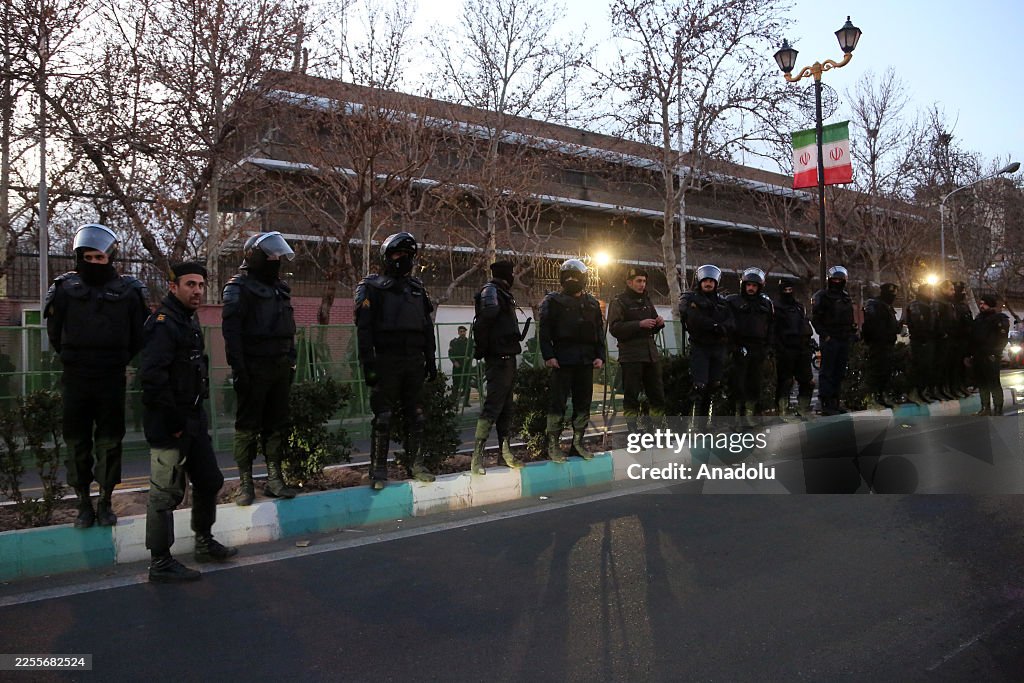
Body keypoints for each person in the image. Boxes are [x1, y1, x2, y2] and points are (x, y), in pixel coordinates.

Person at [44, 223, 149, 529]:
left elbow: (138, 334)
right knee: (76, 444)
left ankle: (104, 501)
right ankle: (82, 504)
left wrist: (116, 359)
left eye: (99, 258)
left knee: (109, 443)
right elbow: (55, 333)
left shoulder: (129, 291)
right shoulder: (63, 288)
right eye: (88, 258)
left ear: (110, 258)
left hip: (110, 376)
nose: (93, 263)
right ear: (79, 257)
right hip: (76, 377)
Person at [142, 262, 236, 583]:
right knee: (164, 494)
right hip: (170, 423)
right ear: (173, 287)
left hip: (194, 419)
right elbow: (153, 379)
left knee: (209, 480)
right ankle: (160, 562)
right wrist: (175, 422)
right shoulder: (163, 323)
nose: (197, 290)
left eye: (200, 285)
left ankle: (203, 541)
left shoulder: (187, 319)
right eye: (190, 284)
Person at [222, 231, 299, 506]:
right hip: (253, 368)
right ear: (254, 256)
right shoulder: (238, 288)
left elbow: (289, 329)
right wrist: (240, 370)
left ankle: (274, 478)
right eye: (271, 255)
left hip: (279, 367)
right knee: (247, 427)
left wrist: (291, 359)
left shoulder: (280, 289)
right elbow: (232, 335)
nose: (276, 259)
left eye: (279, 255)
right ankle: (245, 483)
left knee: (276, 425)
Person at [355, 232, 438, 489]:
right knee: (383, 417)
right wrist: (369, 366)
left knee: (418, 415)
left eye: (407, 255)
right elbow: (364, 330)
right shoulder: (370, 287)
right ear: (387, 256)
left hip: (413, 359)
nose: (402, 259)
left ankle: (417, 464)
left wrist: (431, 359)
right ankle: (378, 471)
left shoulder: (416, 288)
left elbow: (426, 327)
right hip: (386, 360)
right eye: (397, 254)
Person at [540, 259, 605, 462]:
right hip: (562, 359)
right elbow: (544, 331)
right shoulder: (552, 301)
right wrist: (549, 355)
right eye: (567, 277)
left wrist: (600, 356)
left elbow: (598, 332)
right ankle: (553, 445)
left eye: (575, 277)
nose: (571, 280)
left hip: (586, 360)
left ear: (583, 279)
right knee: (557, 404)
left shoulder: (592, 304)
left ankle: (577, 443)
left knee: (583, 404)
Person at [469, 260, 528, 474]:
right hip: (498, 359)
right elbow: (483, 321)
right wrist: (483, 348)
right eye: (512, 273)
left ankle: (505, 453)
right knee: (493, 407)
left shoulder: (503, 293)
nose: (514, 277)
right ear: (505, 274)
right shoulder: (491, 292)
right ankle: (477, 457)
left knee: (506, 408)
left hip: (508, 357)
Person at [607, 267, 665, 433]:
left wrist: (658, 323)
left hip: (650, 355)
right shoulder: (619, 302)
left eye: (644, 281)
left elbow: (651, 325)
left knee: (657, 395)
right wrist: (639, 324)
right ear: (629, 282)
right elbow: (615, 328)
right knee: (631, 396)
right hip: (631, 356)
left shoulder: (646, 300)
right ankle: (632, 429)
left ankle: (657, 428)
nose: (642, 284)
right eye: (638, 281)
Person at [679, 264, 734, 423]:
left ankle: (708, 422)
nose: (708, 283)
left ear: (716, 282)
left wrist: (722, 328)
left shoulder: (723, 302)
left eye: (711, 280)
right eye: (705, 280)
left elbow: (731, 322)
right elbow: (694, 319)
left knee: (715, 385)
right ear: (700, 281)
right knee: (699, 386)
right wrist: (715, 326)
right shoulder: (692, 299)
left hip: (718, 348)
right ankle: (695, 423)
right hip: (700, 347)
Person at [725, 267, 774, 424]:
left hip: (759, 348)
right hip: (740, 348)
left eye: (754, 285)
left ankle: (750, 416)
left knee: (755, 384)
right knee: (738, 384)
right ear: (743, 285)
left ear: (759, 286)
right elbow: (727, 325)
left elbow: (771, 326)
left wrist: (768, 348)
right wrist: (734, 347)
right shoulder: (733, 301)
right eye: (748, 285)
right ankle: (737, 419)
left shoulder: (766, 304)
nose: (751, 288)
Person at [811, 265, 856, 416]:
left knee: (839, 371)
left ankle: (835, 401)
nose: (837, 282)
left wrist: (851, 332)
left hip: (843, 339)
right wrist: (826, 336)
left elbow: (849, 319)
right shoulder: (822, 296)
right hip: (831, 338)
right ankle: (825, 402)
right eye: (834, 279)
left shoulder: (845, 297)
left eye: (840, 279)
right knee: (827, 371)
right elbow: (816, 319)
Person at [772, 277, 814, 420]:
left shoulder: (799, 307)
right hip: (786, 348)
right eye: (785, 290)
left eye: (790, 289)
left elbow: (804, 324)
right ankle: (783, 409)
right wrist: (779, 347)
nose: (788, 292)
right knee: (786, 381)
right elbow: (773, 330)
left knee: (807, 380)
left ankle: (803, 408)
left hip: (802, 348)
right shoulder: (776, 307)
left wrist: (809, 343)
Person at [969, 293, 1010, 416]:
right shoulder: (979, 319)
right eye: (980, 303)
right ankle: (985, 407)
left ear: (990, 304)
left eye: (984, 304)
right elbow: (974, 337)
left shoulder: (999, 319)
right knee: (982, 383)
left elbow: (1002, 339)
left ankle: (998, 408)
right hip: (979, 355)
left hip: (991, 356)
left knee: (994, 382)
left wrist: (995, 353)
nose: (981, 306)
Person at [861, 283, 900, 409]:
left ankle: (882, 396)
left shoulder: (887, 307)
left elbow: (891, 326)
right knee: (875, 372)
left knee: (886, 372)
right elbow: (871, 326)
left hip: (888, 344)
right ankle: (871, 398)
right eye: (891, 294)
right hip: (878, 345)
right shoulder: (875, 305)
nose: (893, 296)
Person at [902, 282, 938, 404]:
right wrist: (922, 337)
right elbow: (916, 324)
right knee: (919, 368)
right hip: (920, 342)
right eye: (929, 291)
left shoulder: (930, 305)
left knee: (927, 368)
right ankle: (915, 393)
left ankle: (922, 392)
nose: (932, 293)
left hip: (928, 341)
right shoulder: (916, 306)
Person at [933, 280, 959, 400]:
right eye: (951, 289)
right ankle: (939, 389)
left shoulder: (950, 303)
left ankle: (949, 388)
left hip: (951, 339)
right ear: (943, 289)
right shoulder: (939, 303)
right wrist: (943, 334)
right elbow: (937, 322)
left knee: (950, 366)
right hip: (942, 341)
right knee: (941, 366)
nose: (953, 292)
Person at [949, 282, 974, 396]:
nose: (963, 294)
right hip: (954, 341)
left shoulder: (964, 306)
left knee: (963, 366)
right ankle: (954, 387)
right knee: (954, 367)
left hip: (964, 341)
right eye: (961, 291)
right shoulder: (950, 305)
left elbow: (969, 323)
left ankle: (962, 386)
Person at [448, 326, 474, 408]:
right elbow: (450, 354)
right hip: (457, 367)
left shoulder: (470, 342)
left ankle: (466, 402)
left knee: (467, 384)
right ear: (458, 332)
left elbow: (473, 352)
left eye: (464, 331)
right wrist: (454, 362)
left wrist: (469, 357)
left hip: (466, 366)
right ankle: (453, 402)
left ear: (466, 332)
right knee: (456, 384)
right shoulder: (454, 342)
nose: (462, 333)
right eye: (461, 331)